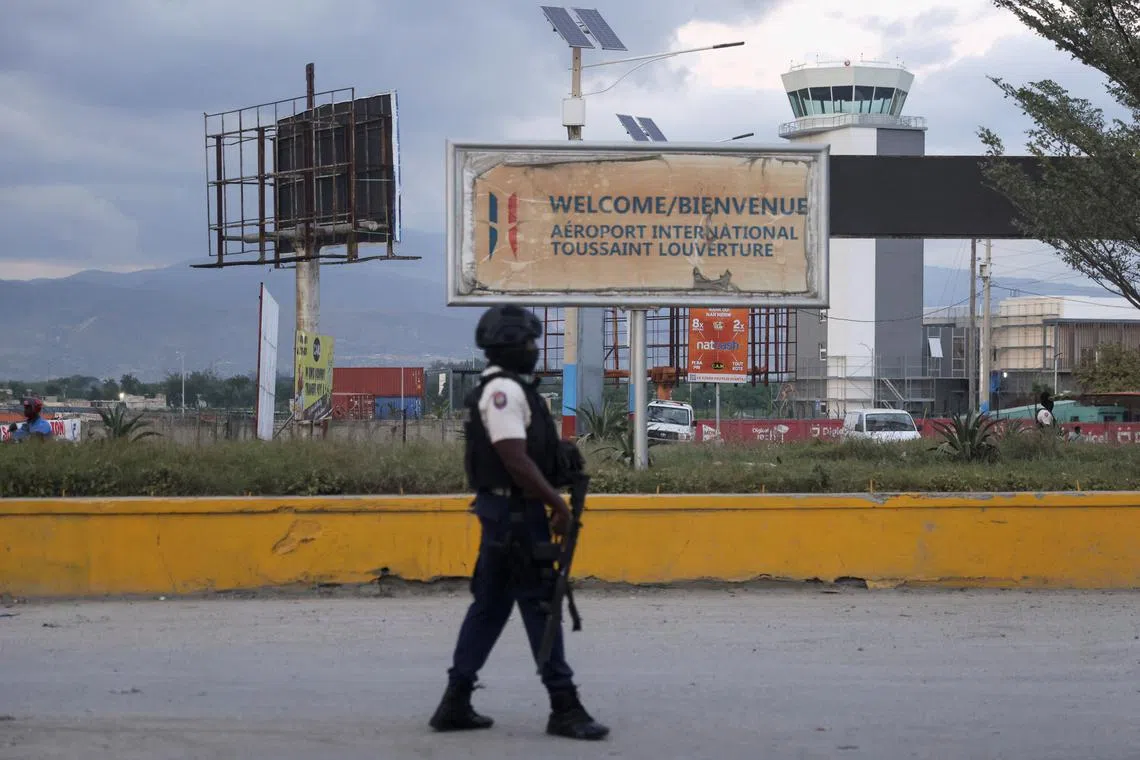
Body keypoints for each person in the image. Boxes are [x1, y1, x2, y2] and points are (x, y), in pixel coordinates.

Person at [428, 304, 609, 742]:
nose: (533, 349)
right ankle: (564, 706)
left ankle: (455, 701)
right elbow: (515, 460)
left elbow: (528, 455)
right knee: (540, 603)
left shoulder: (511, 390)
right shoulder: (503, 392)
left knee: (489, 607)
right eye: (529, 342)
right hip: (514, 517)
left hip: (506, 513)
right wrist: (559, 507)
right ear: (511, 347)